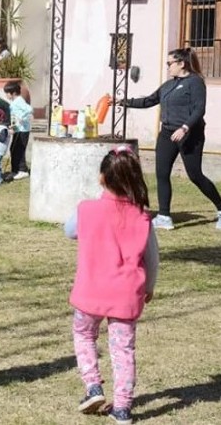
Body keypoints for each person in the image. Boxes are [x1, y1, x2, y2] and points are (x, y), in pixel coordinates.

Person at [64, 147, 159, 425]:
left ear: (102, 178)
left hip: (90, 290)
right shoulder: (142, 217)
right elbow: (152, 258)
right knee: (123, 349)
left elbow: (69, 230)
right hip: (127, 294)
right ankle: (123, 408)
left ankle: (93, 386)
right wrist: (149, 286)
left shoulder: (87, 210)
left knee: (83, 334)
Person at [119, 48, 221, 231]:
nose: (167, 67)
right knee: (162, 174)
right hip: (167, 133)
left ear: (181, 63)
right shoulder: (169, 85)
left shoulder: (195, 83)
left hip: (190, 134)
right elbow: (150, 100)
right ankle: (164, 216)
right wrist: (122, 101)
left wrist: (185, 127)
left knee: (195, 175)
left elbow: (199, 110)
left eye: (170, 63)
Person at [4, 81, 33, 180]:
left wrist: (21, 118)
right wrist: (13, 126)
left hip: (23, 130)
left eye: (7, 93)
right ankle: (15, 170)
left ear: (13, 93)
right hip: (17, 129)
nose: (6, 95)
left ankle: (22, 170)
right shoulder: (14, 102)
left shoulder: (19, 101)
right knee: (13, 149)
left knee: (19, 150)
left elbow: (29, 109)